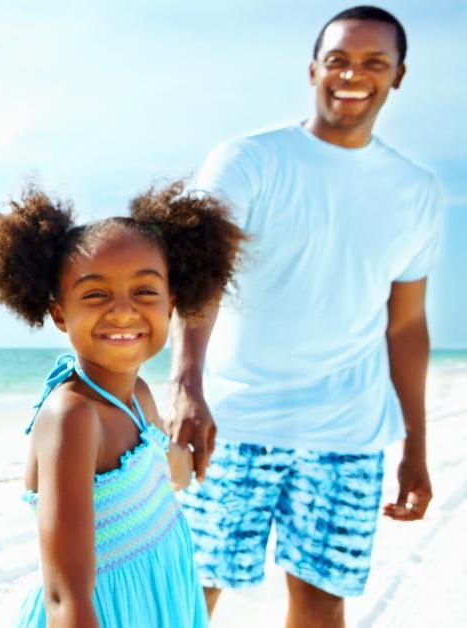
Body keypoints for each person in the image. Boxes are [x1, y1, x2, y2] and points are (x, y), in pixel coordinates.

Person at [169, 6, 445, 625]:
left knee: (322, 604)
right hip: (231, 421)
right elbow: (201, 277)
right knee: (186, 597)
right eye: (339, 59)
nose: (354, 74)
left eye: (375, 62)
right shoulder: (247, 161)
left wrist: (415, 448)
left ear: (398, 75)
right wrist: (186, 383)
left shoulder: (416, 190)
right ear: (314, 69)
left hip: (346, 434)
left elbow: (405, 326)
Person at [0, 181, 245, 627]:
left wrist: (191, 459)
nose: (122, 311)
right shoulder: (72, 418)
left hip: (160, 603)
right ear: (60, 314)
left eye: (145, 292)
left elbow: (160, 467)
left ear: (171, 305)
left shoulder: (138, 397)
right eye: (96, 294)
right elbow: (66, 595)